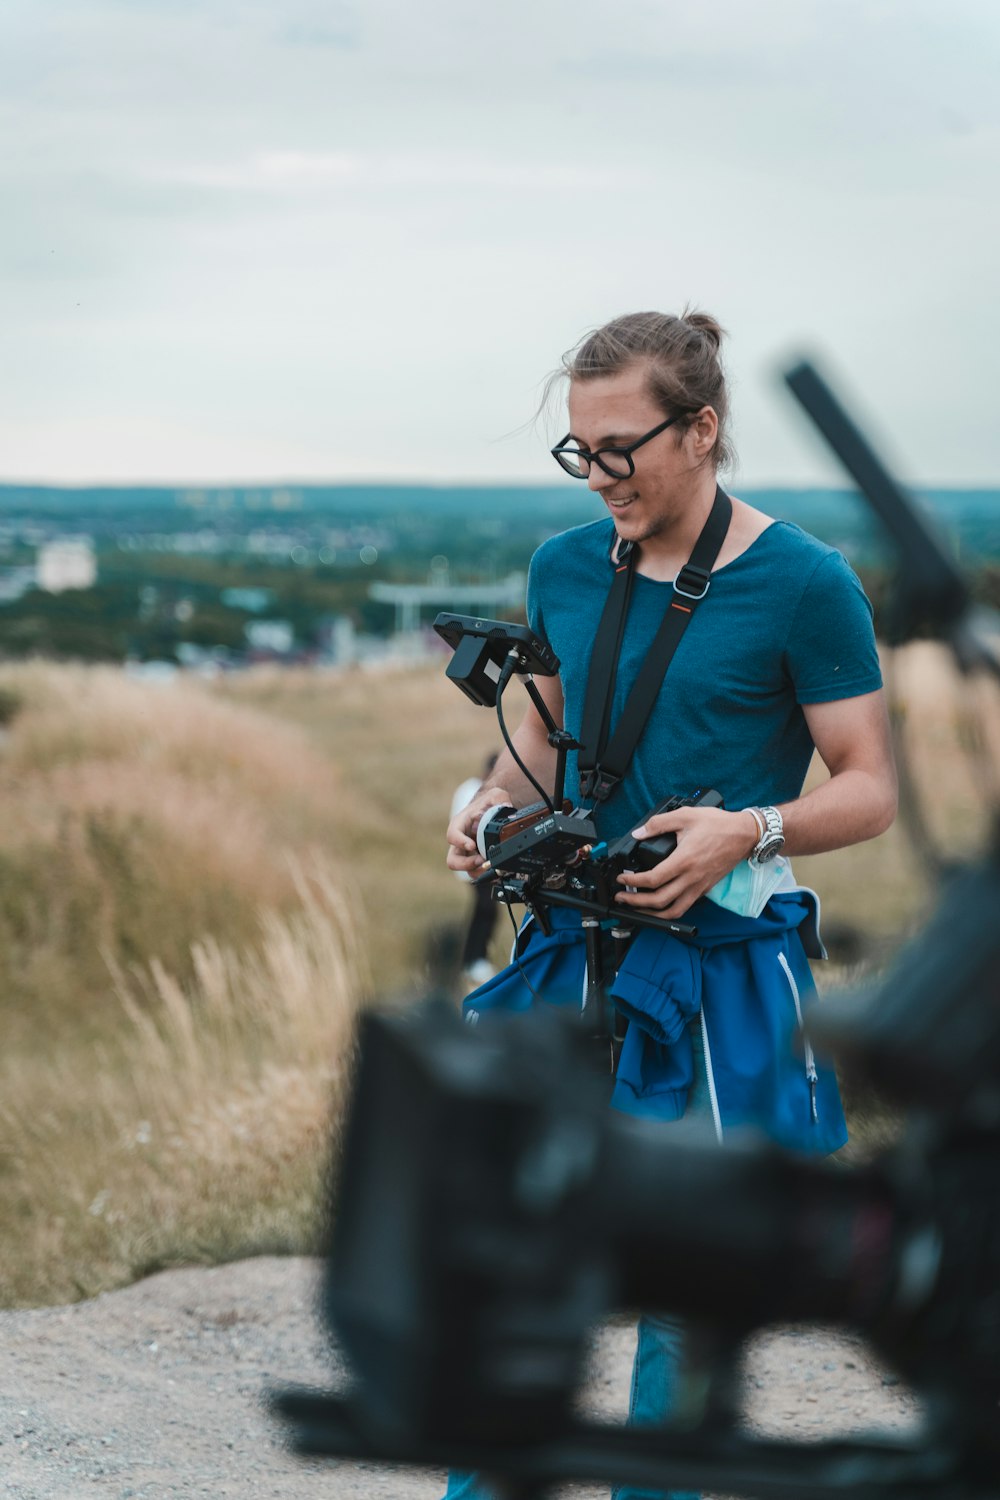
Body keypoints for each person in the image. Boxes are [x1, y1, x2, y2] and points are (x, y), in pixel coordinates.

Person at [444, 309, 898, 1500]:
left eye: (620, 449)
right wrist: (484, 810)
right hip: (567, 952)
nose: (597, 478)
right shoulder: (559, 568)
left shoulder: (806, 585)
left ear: (700, 431)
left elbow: (869, 790)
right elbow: (530, 751)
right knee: (513, 1255)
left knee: (685, 1296)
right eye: (577, 452)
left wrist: (746, 829)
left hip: (722, 966)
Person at [450, 752, 501, 989]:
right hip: (476, 865)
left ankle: (473, 959)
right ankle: (474, 960)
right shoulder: (473, 791)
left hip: (484, 864)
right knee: (485, 911)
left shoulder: (478, 791)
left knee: (485, 912)